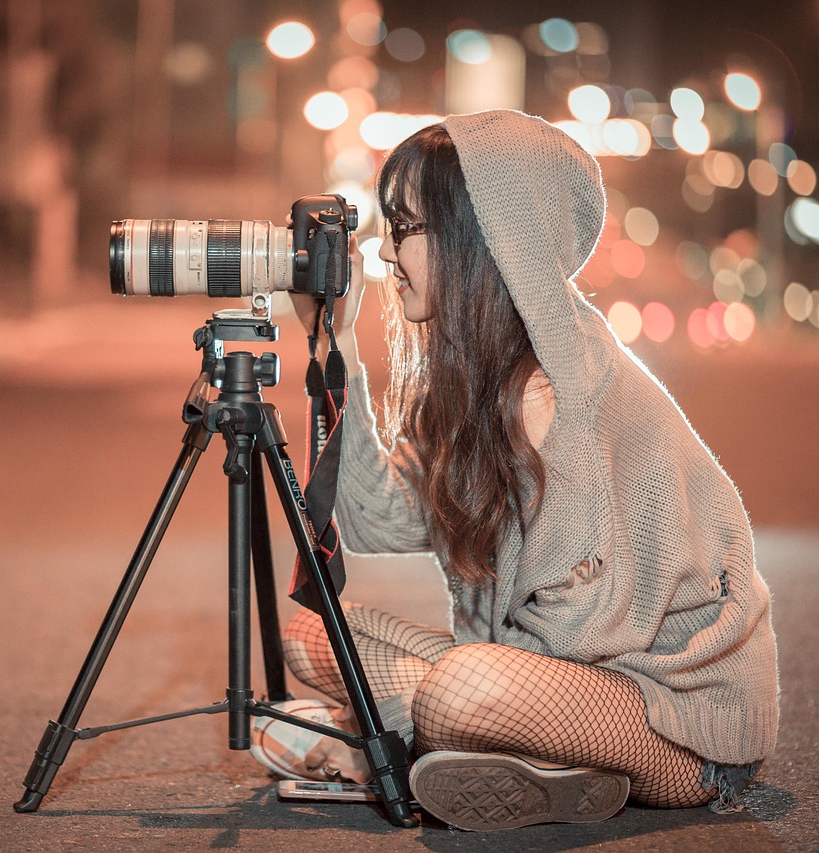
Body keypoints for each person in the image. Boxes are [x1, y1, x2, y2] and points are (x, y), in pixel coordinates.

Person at [249, 109, 780, 832]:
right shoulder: (479, 382)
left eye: (405, 227)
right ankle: (502, 763)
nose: (382, 251)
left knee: (463, 688)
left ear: (485, 238)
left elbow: (577, 642)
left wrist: (407, 709)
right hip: (543, 681)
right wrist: (334, 346)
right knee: (311, 637)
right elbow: (375, 520)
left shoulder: (567, 396)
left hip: (674, 720)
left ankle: (391, 748)